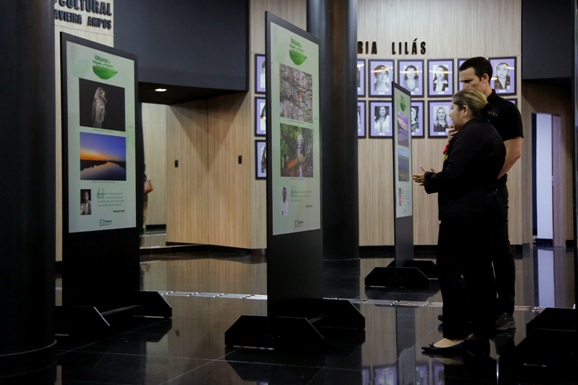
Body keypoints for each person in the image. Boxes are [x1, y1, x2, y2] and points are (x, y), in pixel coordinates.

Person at [413, 88, 505, 356]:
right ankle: (482, 329)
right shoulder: (489, 132)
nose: (450, 114)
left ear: (465, 110)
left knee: (449, 271)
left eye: (453, 109)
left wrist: (430, 178)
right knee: (480, 273)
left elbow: (454, 176)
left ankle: (454, 334)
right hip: (484, 213)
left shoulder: (471, 134)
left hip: (463, 216)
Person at [458, 56, 523, 331]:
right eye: (461, 82)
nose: (464, 87)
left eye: (469, 81)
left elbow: (513, 153)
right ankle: (477, 307)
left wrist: (486, 179)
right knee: (472, 251)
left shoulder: (506, 110)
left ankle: (505, 311)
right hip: (468, 191)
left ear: (485, 78)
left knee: (499, 249)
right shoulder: (471, 110)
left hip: (493, 190)